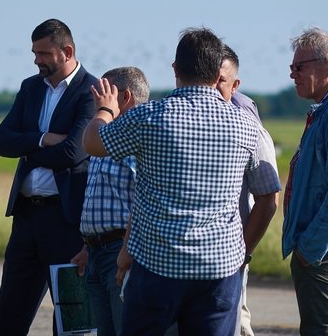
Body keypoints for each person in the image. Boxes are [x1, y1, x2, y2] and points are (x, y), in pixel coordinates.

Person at [83, 27, 259, 335]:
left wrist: (105, 109)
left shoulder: (150, 117)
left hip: (159, 264)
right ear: (217, 71)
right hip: (219, 266)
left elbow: (93, 143)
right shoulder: (245, 125)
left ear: (175, 69)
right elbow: (266, 192)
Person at [0, 18, 98, 335]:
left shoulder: (89, 92)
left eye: (43, 53)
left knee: (71, 321)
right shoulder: (30, 87)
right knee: (10, 314)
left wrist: (27, 148)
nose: (36, 60)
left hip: (66, 222)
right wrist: (40, 138)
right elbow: (1, 141)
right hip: (27, 217)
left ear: (67, 51)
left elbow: (72, 153)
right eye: (34, 53)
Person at [70, 66, 149, 336]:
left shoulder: (140, 140)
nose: (97, 102)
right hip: (95, 252)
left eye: (104, 95)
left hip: (121, 252)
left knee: (124, 328)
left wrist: (126, 252)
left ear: (124, 97)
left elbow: (143, 201)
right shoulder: (105, 137)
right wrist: (86, 246)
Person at [282, 28, 328, 336]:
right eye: (292, 67)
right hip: (323, 252)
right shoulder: (327, 111)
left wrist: (310, 248)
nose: (293, 73)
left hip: (326, 254)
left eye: (300, 67)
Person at [217, 45, 280, 336]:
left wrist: (243, 251)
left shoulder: (241, 111)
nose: (213, 87)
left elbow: (268, 194)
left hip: (232, 246)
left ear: (235, 83)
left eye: (220, 80)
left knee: (234, 321)